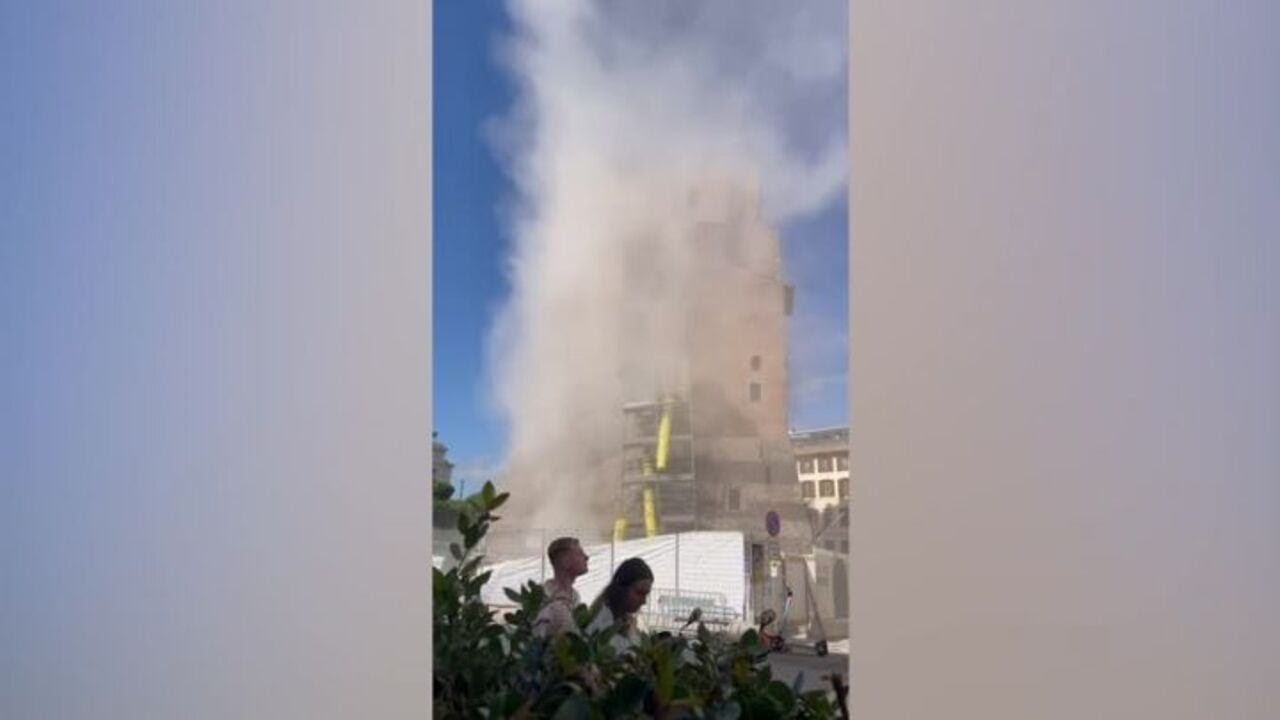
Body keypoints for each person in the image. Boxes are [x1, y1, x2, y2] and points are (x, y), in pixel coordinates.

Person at [586, 557, 653, 652]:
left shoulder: (630, 622)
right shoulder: (598, 620)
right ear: (621, 589)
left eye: (646, 594)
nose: (643, 601)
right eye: (639, 593)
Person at [533, 536, 589, 639]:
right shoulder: (542, 595)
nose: (586, 557)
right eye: (580, 553)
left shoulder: (575, 597)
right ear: (565, 561)